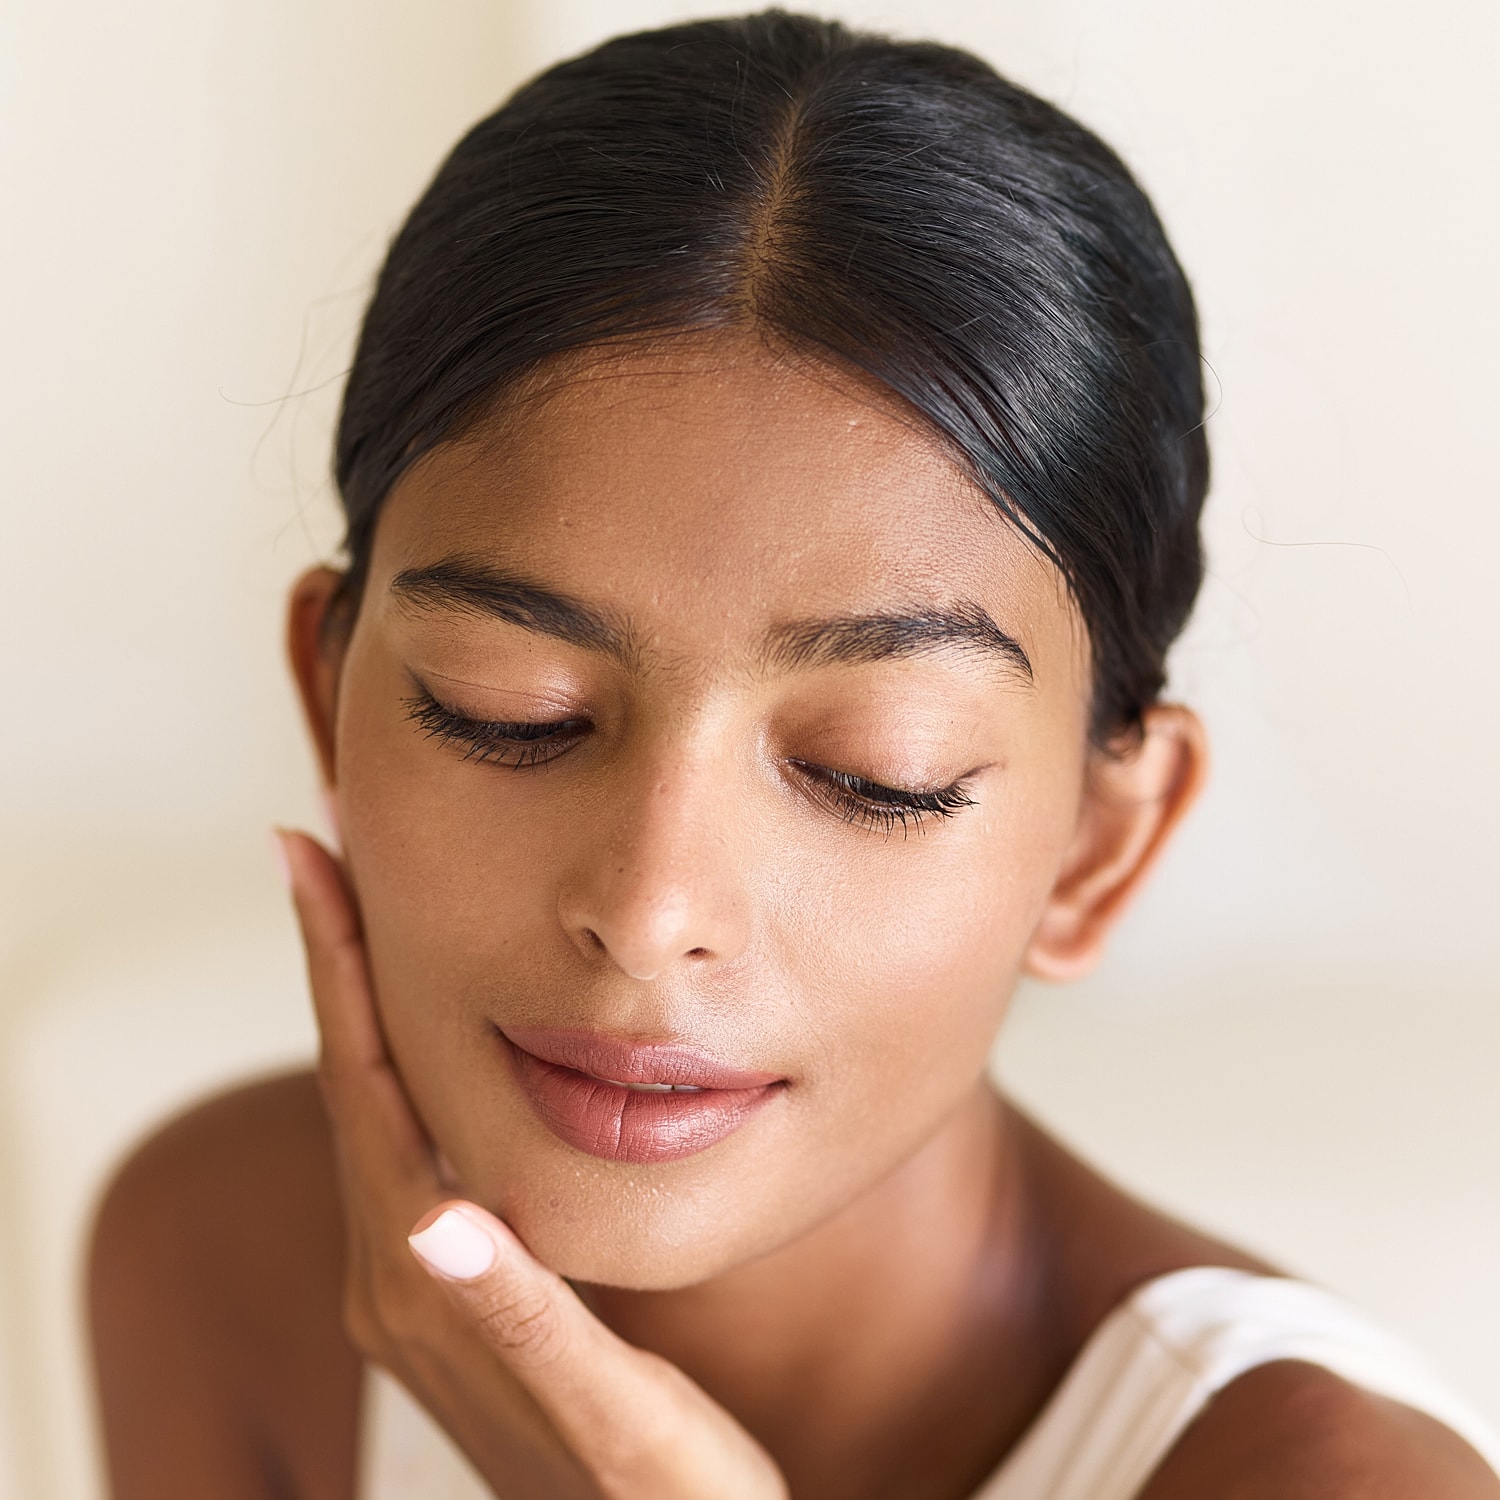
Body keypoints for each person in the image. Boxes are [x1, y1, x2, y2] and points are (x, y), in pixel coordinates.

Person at [86, 11, 1500, 1499]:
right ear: (330, 700)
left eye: (876, 773)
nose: (649, 910)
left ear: (1100, 848)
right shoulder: (228, 1255)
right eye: (512, 710)